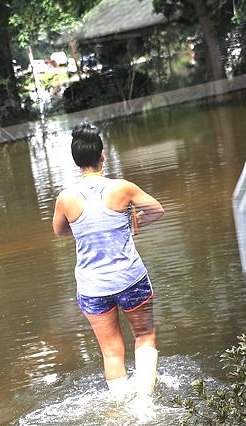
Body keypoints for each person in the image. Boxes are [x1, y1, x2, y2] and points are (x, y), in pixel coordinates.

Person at [52, 122, 165, 399]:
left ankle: (121, 405)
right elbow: (157, 211)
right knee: (144, 335)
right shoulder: (122, 188)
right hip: (130, 279)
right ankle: (145, 405)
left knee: (111, 351)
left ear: (77, 162)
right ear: (102, 155)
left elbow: (60, 230)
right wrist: (136, 221)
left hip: (93, 287)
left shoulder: (65, 198)